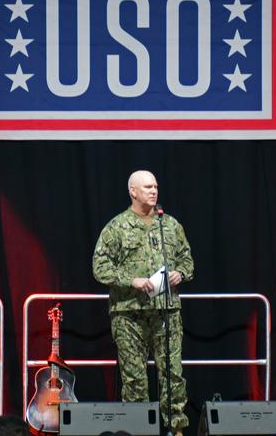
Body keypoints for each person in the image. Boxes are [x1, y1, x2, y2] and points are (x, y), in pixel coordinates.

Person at [92, 170, 194, 436]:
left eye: (156, 186)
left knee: (172, 374)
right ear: (133, 191)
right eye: (147, 186)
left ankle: (176, 429)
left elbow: (187, 261)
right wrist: (132, 280)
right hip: (129, 315)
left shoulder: (169, 224)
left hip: (166, 312)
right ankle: (137, 431)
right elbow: (99, 267)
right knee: (134, 379)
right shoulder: (116, 227)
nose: (154, 191)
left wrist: (179, 273)